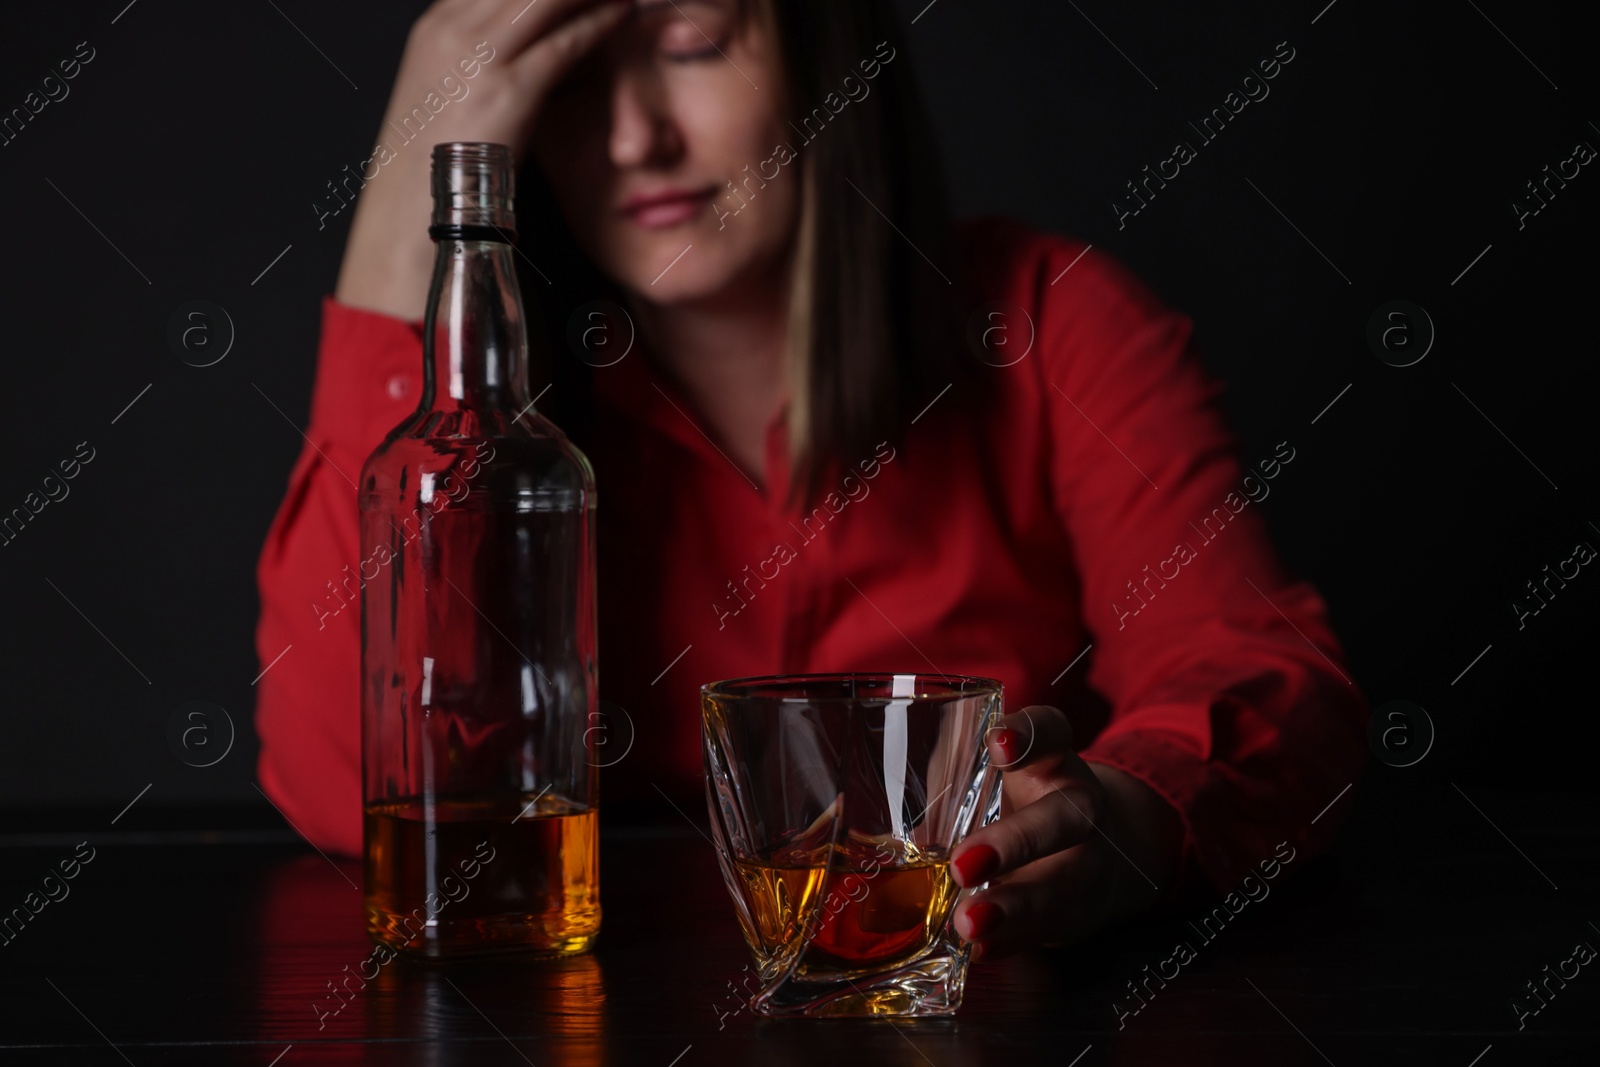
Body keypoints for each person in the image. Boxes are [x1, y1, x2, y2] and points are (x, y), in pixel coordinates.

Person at [255, 0, 1366, 962]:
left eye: (690, 46)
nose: (634, 137)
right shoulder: (519, 443)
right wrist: (418, 165)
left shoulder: (1047, 324)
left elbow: (1259, 671)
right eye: (571, 79)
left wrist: (1135, 814)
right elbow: (346, 779)